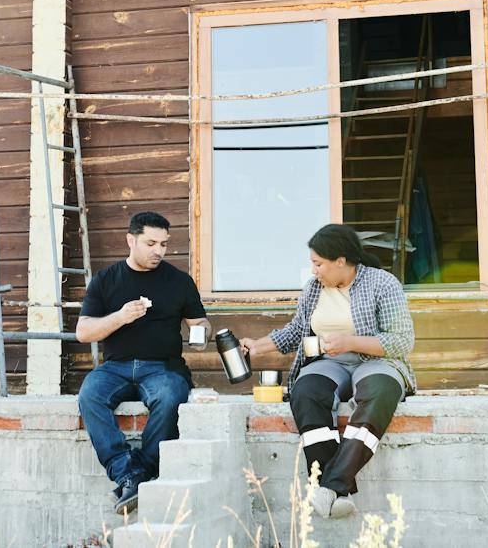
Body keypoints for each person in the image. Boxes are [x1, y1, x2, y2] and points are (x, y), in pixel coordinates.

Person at [240, 224, 415, 519]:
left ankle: (330, 485)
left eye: (318, 263)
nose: (314, 270)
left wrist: (350, 341)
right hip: (330, 363)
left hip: (377, 361)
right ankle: (337, 491)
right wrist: (258, 346)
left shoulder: (382, 283)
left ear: (341, 261)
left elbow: (401, 340)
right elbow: (297, 330)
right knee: (306, 392)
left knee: (379, 393)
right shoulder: (314, 289)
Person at [76, 211, 210, 515]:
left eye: (164, 244)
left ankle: (139, 473)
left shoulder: (179, 281)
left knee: (170, 396)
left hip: (162, 367)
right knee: (90, 395)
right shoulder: (106, 279)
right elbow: (83, 332)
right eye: (151, 243)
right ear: (131, 240)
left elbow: (199, 323)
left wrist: (201, 334)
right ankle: (127, 471)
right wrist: (120, 317)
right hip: (115, 368)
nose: (158, 251)